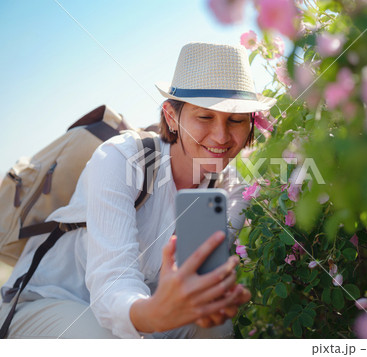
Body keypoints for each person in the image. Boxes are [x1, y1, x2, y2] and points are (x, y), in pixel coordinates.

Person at [0, 42, 276, 338]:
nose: (221, 136)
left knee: (218, 328)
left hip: (143, 313)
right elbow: (113, 285)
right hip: (53, 300)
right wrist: (156, 314)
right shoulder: (122, 158)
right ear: (172, 117)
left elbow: (193, 281)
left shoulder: (229, 189)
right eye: (204, 117)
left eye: (236, 120)